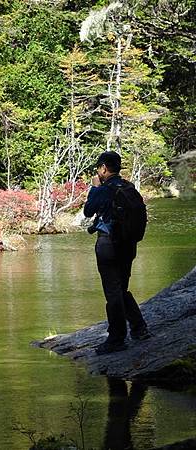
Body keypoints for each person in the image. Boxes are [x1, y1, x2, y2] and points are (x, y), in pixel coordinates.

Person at [84, 151, 151, 355]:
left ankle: (116, 338)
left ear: (104, 168)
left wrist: (95, 188)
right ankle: (139, 329)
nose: (98, 172)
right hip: (129, 244)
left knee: (113, 291)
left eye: (98, 168)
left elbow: (88, 211)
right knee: (121, 288)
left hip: (108, 245)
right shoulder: (129, 187)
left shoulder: (104, 189)